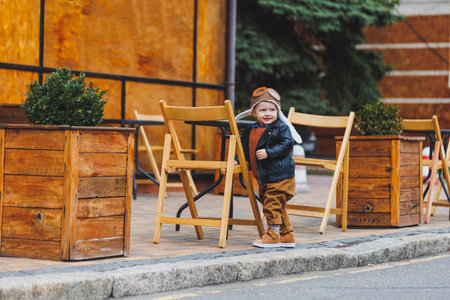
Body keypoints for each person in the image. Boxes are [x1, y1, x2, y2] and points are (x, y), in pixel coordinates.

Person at [236, 87, 302, 248]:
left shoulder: (281, 128)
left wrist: (269, 152)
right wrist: (239, 160)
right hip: (264, 176)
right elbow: (245, 148)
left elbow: (287, 145)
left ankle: (273, 235)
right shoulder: (250, 130)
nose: (268, 113)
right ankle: (286, 235)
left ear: (278, 111)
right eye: (263, 110)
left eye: (272, 110)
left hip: (280, 175)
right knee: (277, 205)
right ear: (254, 112)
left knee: (272, 204)